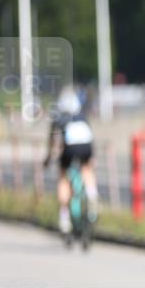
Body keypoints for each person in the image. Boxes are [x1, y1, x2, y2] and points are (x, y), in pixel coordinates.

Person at [43, 88, 99, 235]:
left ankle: (64, 216)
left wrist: (48, 159)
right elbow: (91, 137)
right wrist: (93, 158)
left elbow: (53, 144)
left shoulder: (58, 119)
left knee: (63, 177)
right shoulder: (83, 116)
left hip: (69, 149)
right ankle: (92, 194)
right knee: (87, 169)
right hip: (86, 146)